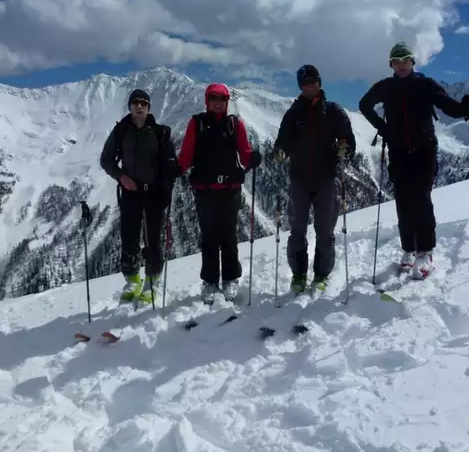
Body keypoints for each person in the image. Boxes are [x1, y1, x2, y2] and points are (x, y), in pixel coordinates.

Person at [358, 41, 469, 280]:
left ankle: (425, 251)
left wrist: (465, 108)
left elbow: (448, 107)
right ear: (391, 64)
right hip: (399, 151)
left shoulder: (425, 85)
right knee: (403, 202)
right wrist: (383, 128)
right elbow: (364, 105)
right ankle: (408, 250)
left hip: (424, 150)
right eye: (396, 61)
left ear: (412, 62)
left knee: (421, 199)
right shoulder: (386, 87)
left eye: (405, 60)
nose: (401, 65)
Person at [273, 64, 356, 295]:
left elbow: (349, 141)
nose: (310, 86)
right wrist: (280, 151)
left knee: (325, 230)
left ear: (319, 83)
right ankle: (299, 274)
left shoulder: (333, 111)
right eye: (305, 83)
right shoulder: (293, 113)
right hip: (299, 178)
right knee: (297, 229)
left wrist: (345, 149)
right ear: (300, 86)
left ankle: (321, 275)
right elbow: (283, 141)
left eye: (313, 81)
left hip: (326, 178)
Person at [177, 83, 262, 304]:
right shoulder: (197, 124)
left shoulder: (235, 124)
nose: (217, 103)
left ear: (226, 102)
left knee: (228, 236)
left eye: (221, 99)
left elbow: (244, 154)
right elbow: (186, 153)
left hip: (229, 190)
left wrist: (252, 158)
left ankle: (230, 278)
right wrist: (176, 168)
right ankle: (211, 281)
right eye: (213, 99)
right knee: (210, 237)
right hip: (205, 190)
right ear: (207, 101)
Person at [100, 88, 181, 304]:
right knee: (129, 238)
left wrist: (167, 186)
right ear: (129, 106)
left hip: (153, 192)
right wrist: (121, 177)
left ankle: (152, 282)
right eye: (136, 102)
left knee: (153, 239)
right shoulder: (121, 131)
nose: (139, 106)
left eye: (144, 103)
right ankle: (133, 281)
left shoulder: (160, 132)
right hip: (130, 193)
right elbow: (106, 159)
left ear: (148, 108)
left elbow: (170, 163)